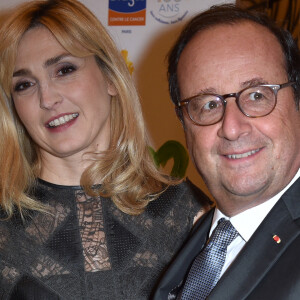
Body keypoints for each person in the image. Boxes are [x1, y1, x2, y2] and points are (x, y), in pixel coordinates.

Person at [0, 0, 211, 299]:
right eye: (24, 85)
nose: (47, 99)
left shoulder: (187, 212)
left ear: (110, 77)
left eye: (64, 70)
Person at [153, 4, 300, 300]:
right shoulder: (194, 245)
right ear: (184, 124)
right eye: (208, 104)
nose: (231, 128)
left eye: (257, 95)